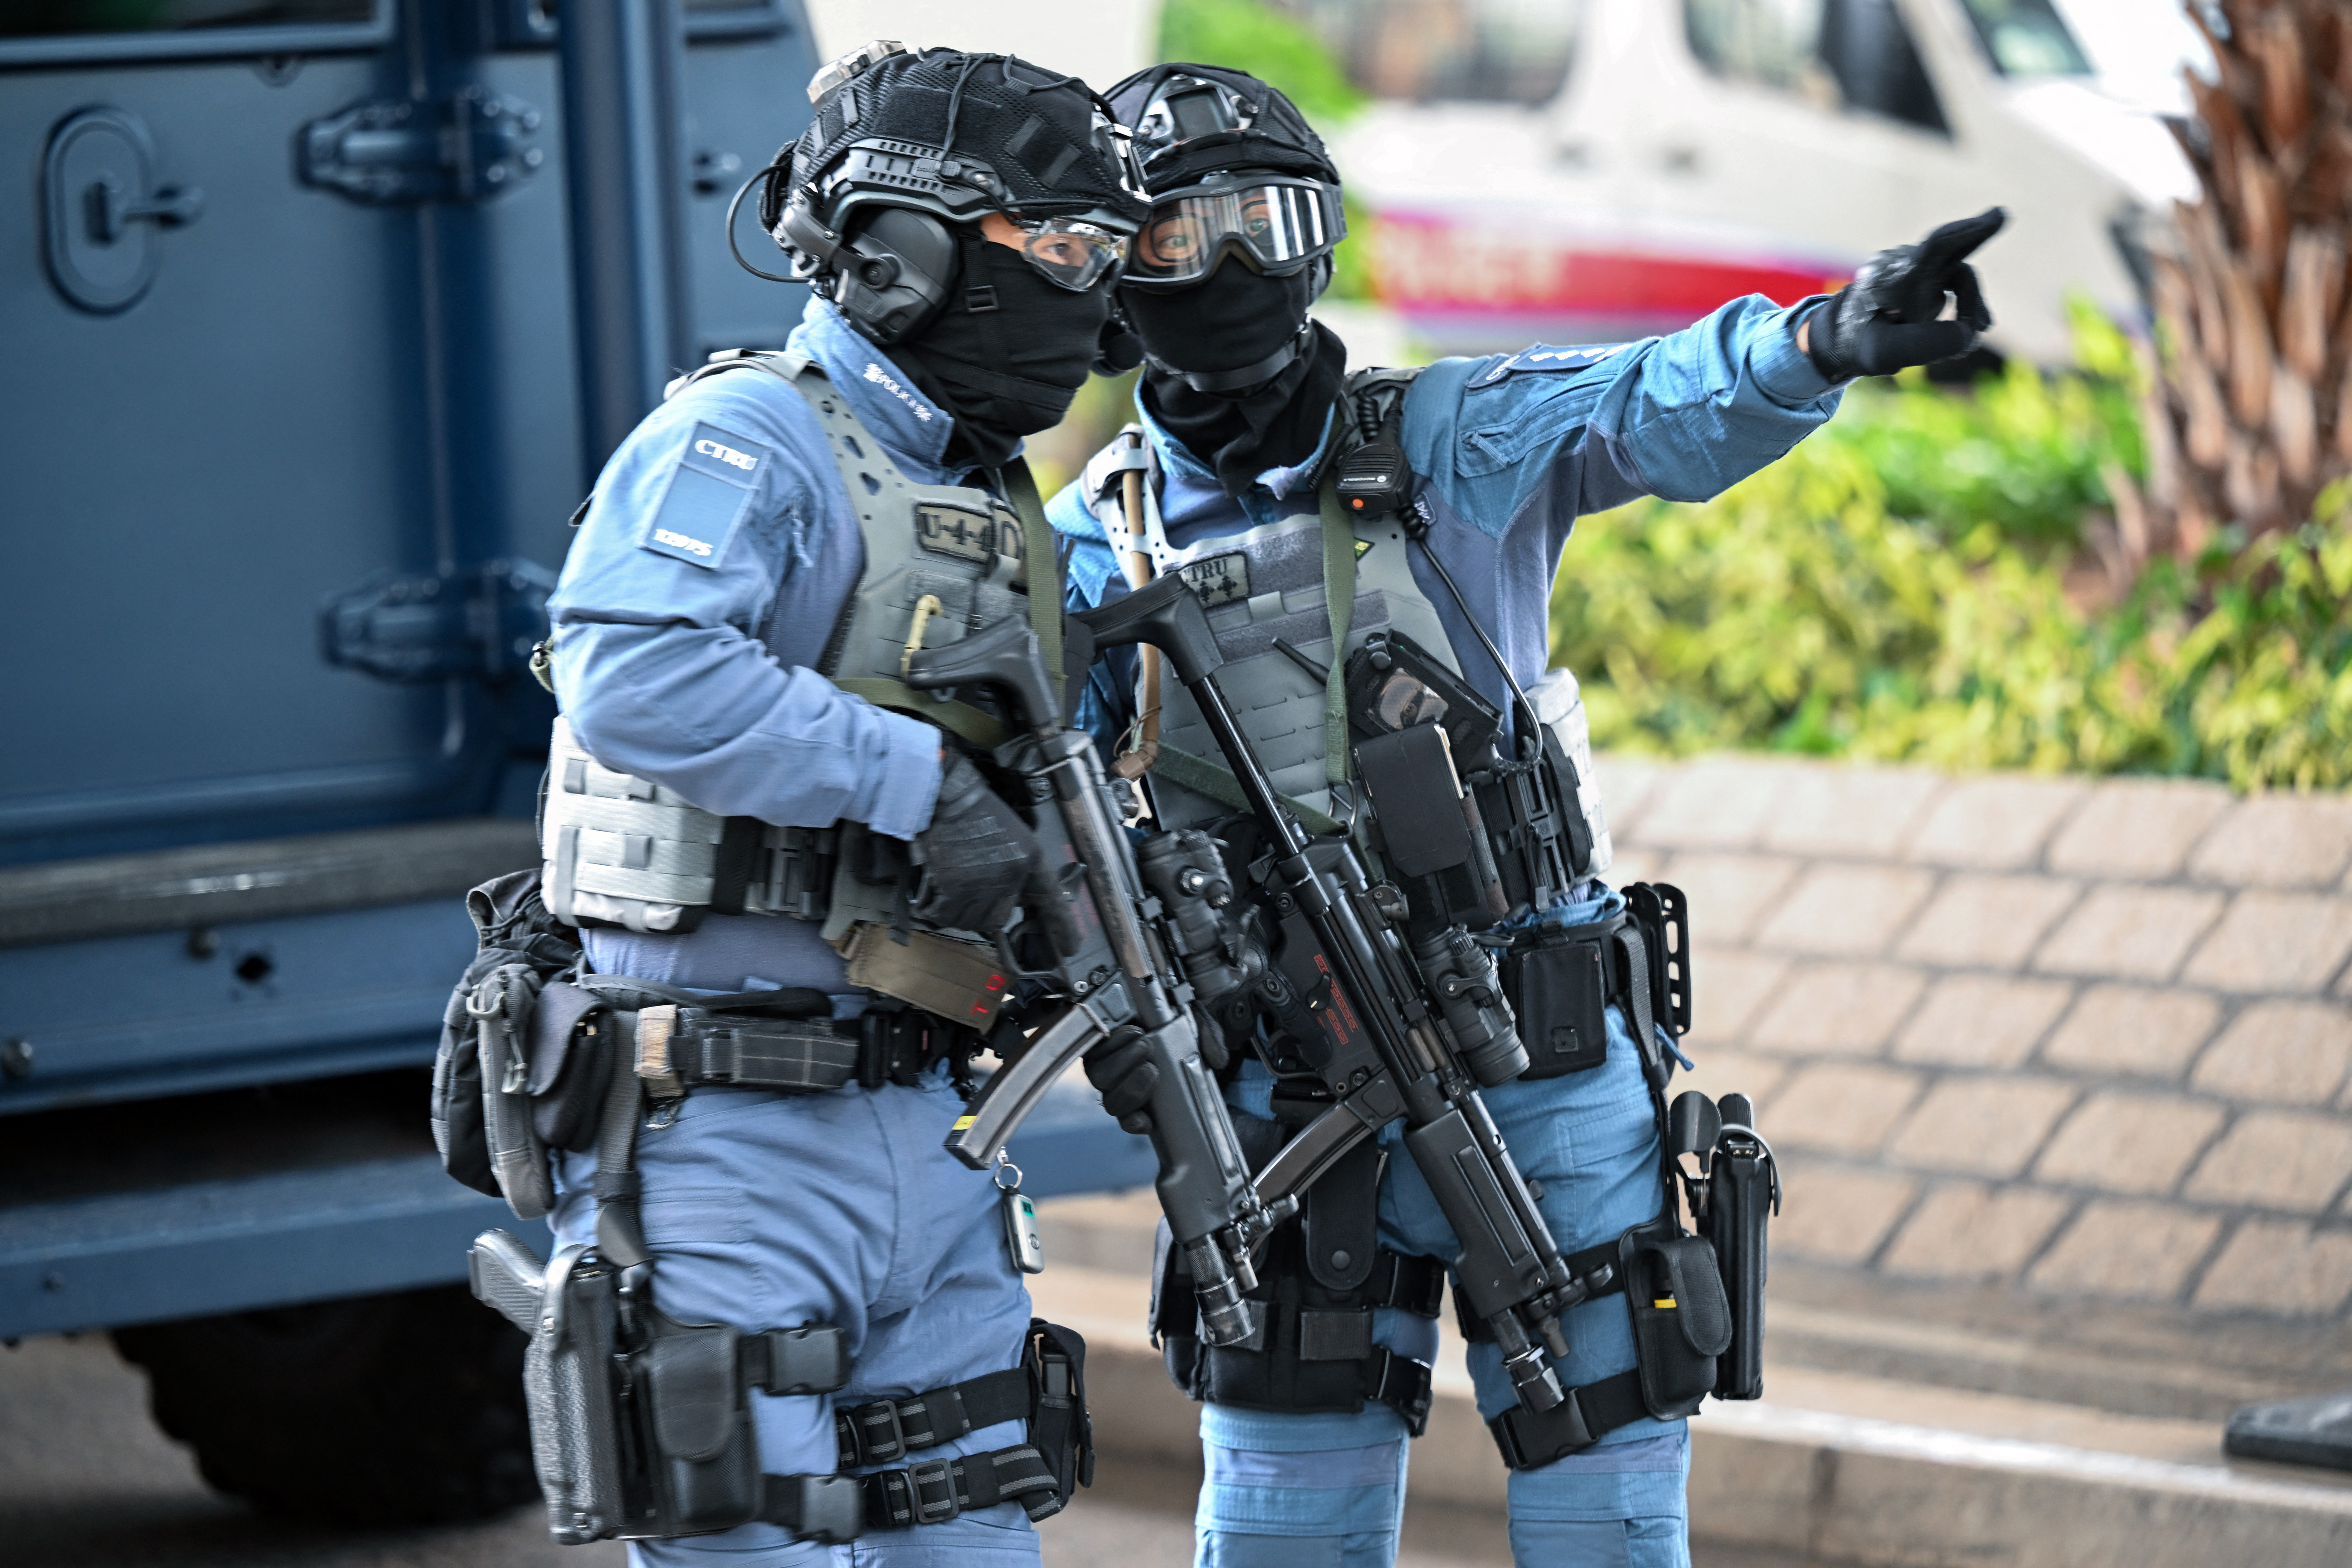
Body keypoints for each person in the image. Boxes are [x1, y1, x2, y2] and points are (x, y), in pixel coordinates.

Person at [1047, 63, 2000, 1568]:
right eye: (1174, 236)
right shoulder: (1089, 546)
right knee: (1281, 1524)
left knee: (1606, 1512)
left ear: (1315, 241)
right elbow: (1038, 817)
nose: (1222, 264)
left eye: (1257, 223)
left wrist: (1819, 339)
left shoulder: (1448, 436)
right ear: (1112, 270)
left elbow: (1649, 402)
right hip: (1289, 1087)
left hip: (1537, 1064)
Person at [536, 43, 1147, 1565]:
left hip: (933, 1130)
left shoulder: (989, 495)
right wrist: (916, 786)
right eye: (1061, 247)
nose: (1091, 301)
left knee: (977, 1537)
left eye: (1103, 255)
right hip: (727, 1135)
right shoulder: (750, 438)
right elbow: (635, 670)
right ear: (906, 252)